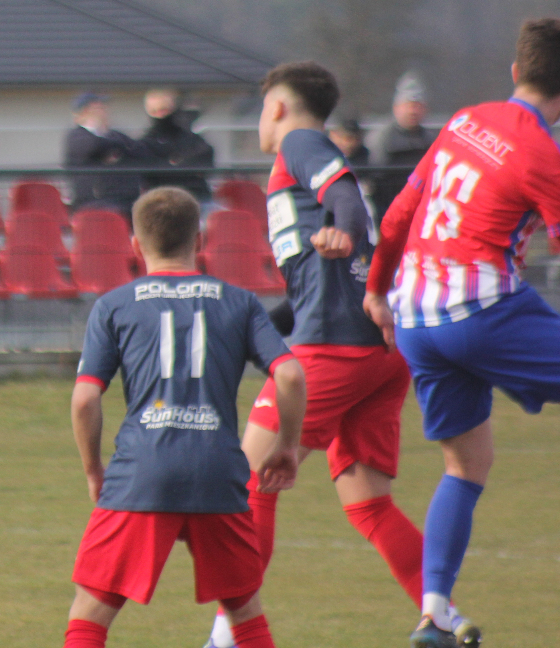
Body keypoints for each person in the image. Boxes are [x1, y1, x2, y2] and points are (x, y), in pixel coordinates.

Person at [202, 61, 477, 648]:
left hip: (335, 349)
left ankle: (228, 636)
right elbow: (312, 288)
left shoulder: (299, 143)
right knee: (369, 504)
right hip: (378, 350)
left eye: (261, 107)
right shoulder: (302, 163)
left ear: (276, 106)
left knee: (250, 482)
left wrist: (345, 230)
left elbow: (344, 197)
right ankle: (443, 616)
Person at [364, 19, 560, 648]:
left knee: (466, 463)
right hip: (480, 312)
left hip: (416, 316)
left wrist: (375, 288)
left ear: (514, 72)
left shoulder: (463, 120)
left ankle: (434, 612)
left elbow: (399, 212)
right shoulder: (542, 152)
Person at [64, 187, 306, 648]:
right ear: (199, 241)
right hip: (217, 469)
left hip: (141, 470)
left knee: (91, 608)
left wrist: (94, 468)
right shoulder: (240, 302)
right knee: (244, 609)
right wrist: (287, 446)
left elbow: (84, 401)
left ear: (135, 245)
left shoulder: (114, 305)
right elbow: (291, 376)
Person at [64, 93, 151, 220]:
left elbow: (139, 151)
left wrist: (116, 148)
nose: (103, 112)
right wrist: (114, 147)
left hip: (126, 200)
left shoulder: (115, 135)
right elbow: (92, 147)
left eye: (103, 108)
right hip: (93, 202)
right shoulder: (76, 136)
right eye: (97, 109)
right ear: (83, 112)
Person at [372, 73, 437, 220]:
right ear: (396, 108)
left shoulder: (430, 139)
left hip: (422, 208)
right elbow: (376, 177)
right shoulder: (382, 138)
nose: (413, 111)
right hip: (388, 206)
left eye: (418, 106)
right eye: (408, 105)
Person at [139, 88, 215, 202]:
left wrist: (174, 164)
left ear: (173, 108)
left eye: (164, 110)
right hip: (161, 200)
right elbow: (150, 173)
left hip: (197, 196)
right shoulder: (145, 142)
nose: (160, 115)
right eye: (155, 111)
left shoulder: (191, 138)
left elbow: (207, 159)